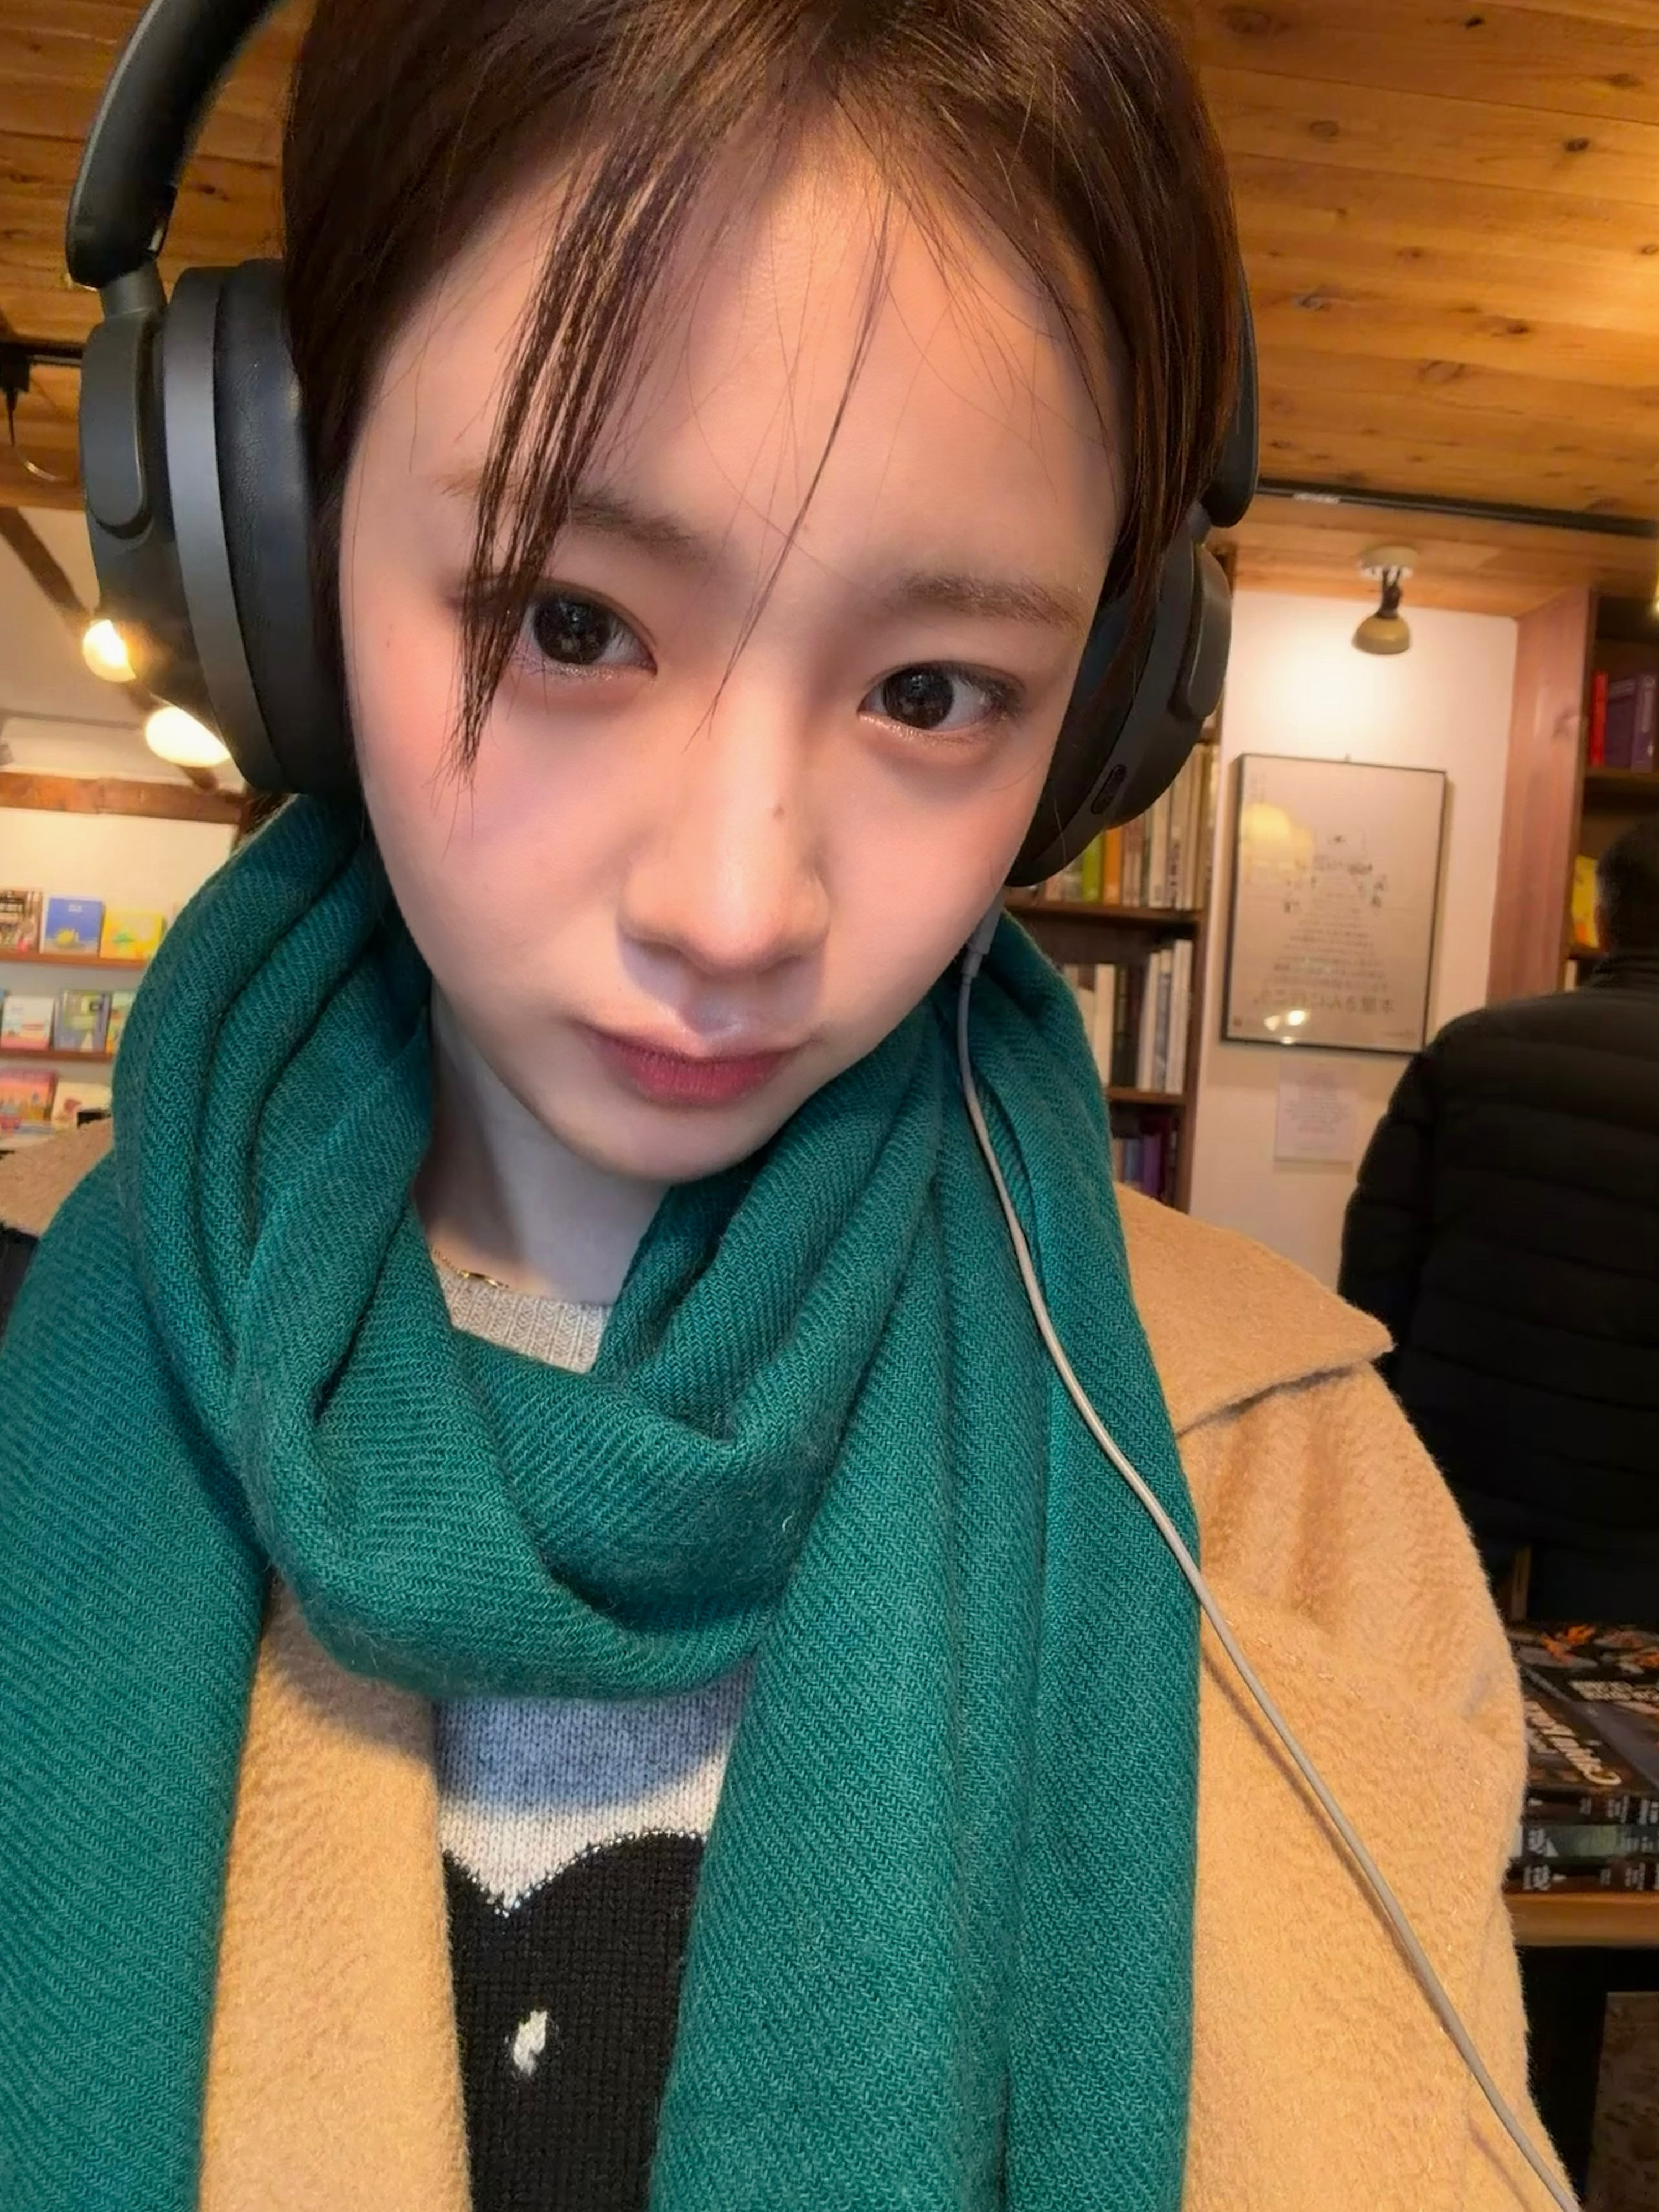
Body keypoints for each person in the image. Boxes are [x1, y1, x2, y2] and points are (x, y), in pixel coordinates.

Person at [1, 2, 1564, 2208]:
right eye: (567, 621)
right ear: (276, 540)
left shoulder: (1278, 1493)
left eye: (932, 690)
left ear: (1103, 715)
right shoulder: (37, 1389)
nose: (734, 909)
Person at [1340, 815, 1659, 1627]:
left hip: (1460, 1438)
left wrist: (1378, 1417)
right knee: (1612, 1696)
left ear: (1599, 918)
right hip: (1635, 1485)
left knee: (1422, 1667)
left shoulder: (1473, 1047)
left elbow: (1380, 1250)